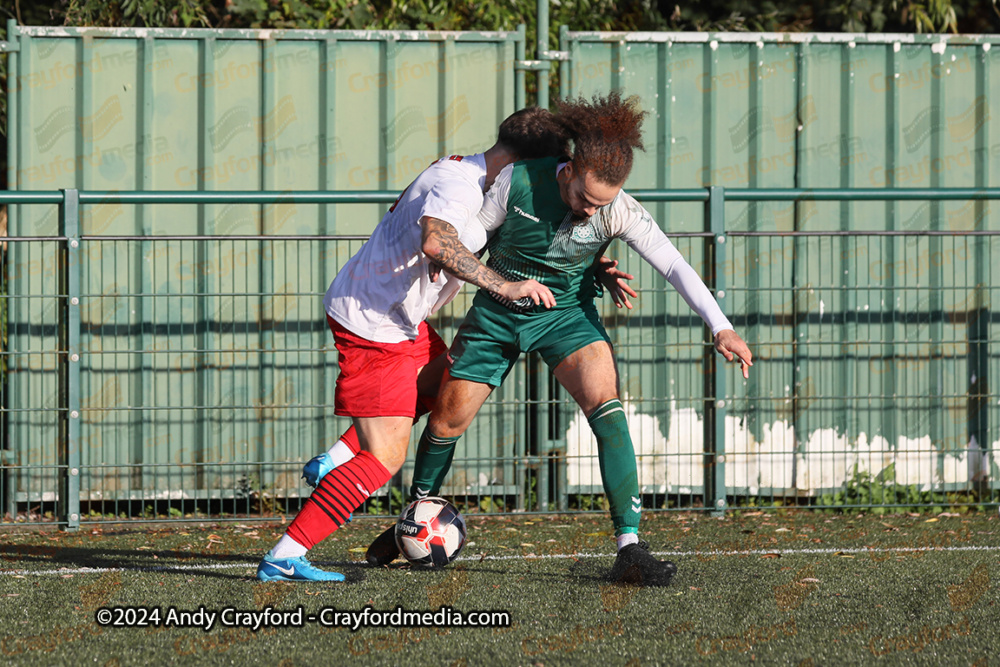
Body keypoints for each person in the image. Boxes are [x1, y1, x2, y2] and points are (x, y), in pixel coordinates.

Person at [364, 92, 753, 587]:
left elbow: (673, 263)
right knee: (445, 419)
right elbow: (471, 241)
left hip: (564, 315)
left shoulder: (619, 211)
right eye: (584, 199)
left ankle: (630, 548)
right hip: (498, 312)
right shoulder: (517, 181)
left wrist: (720, 326)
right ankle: (411, 521)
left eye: (602, 204)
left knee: (607, 406)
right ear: (567, 170)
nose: (592, 213)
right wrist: (429, 304)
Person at [256, 107, 633, 582]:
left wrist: (590, 267)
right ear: (525, 162)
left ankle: (333, 458)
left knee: (441, 382)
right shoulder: (459, 185)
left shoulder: (477, 180)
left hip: (401, 321)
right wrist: (504, 286)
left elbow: (512, 236)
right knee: (385, 457)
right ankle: (286, 553)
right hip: (375, 325)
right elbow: (437, 243)